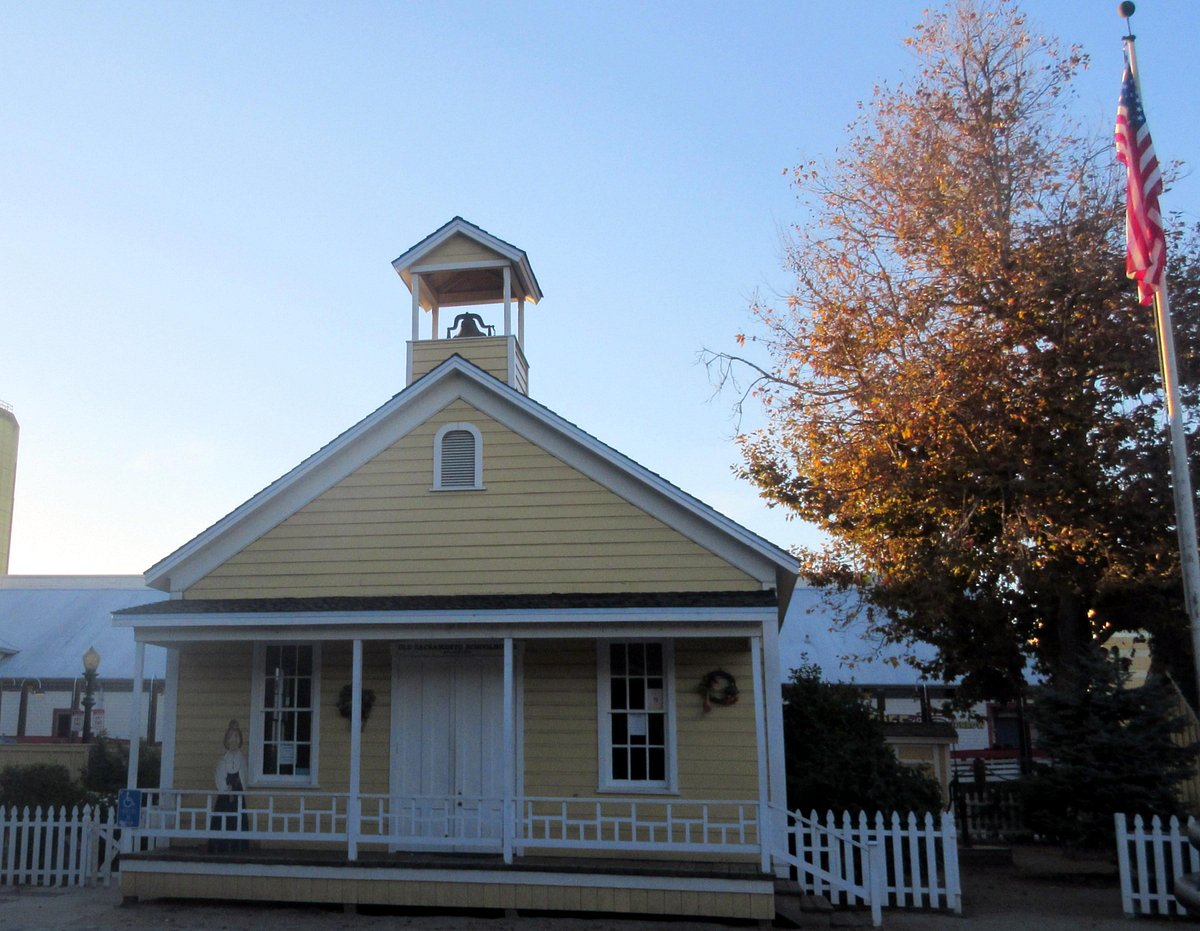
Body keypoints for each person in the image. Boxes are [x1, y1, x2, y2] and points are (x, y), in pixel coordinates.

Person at [209, 719, 249, 852]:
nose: (234, 740)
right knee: (224, 821)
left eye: (236, 737)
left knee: (238, 821)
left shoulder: (242, 761)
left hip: (238, 798)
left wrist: (240, 789)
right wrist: (227, 790)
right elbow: (219, 780)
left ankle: (239, 847)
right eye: (231, 737)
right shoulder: (223, 761)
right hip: (225, 799)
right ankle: (221, 846)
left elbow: (244, 778)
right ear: (227, 740)